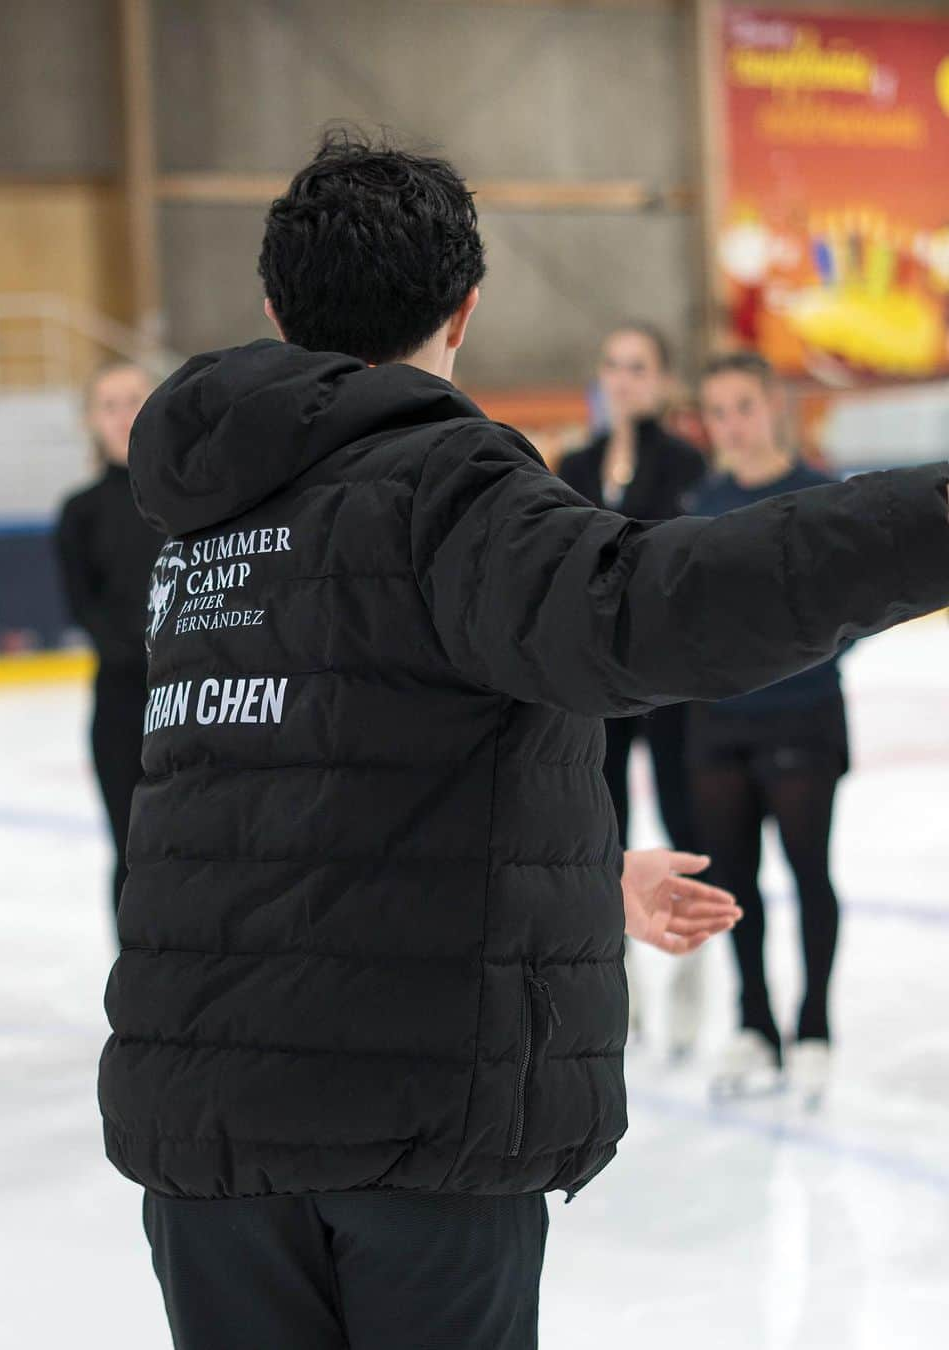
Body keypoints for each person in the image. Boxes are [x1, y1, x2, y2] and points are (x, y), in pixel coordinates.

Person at [97, 132, 949, 1350]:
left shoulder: (205, 521)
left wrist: (586, 880)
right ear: (465, 309)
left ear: (276, 309)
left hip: (207, 1131)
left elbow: (314, 796)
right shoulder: (441, 489)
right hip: (410, 1127)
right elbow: (652, 606)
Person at [691, 351, 853, 1106]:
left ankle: (813, 1026)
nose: (732, 425)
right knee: (730, 883)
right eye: (718, 411)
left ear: (773, 406)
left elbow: (859, 603)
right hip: (719, 723)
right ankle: (754, 1022)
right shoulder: (699, 505)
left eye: (743, 407)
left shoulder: (819, 498)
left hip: (802, 714)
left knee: (806, 870)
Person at [559, 323, 706, 1057]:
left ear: (662, 377)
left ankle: (686, 966)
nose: (624, 378)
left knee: (685, 819)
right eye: (614, 365)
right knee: (601, 826)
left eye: (638, 366)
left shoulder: (685, 462)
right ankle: (615, 979)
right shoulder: (575, 463)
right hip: (599, 679)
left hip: (670, 678)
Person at [56, 361, 162, 919]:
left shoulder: (196, 497)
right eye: (110, 404)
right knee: (130, 850)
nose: (124, 415)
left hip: (199, 700)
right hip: (122, 704)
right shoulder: (79, 513)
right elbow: (85, 609)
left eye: (134, 399)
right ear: (90, 420)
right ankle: (138, 989)